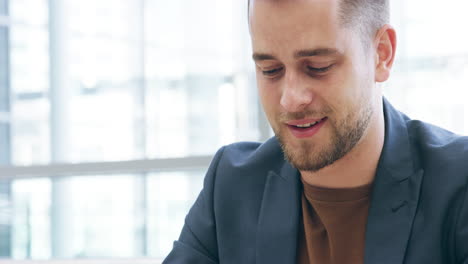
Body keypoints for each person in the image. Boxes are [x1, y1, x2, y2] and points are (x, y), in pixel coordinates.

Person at [163, 0, 468, 263]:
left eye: (318, 67)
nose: (290, 99)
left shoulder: (458, 185)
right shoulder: (231, 186)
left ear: (382, 54)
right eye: (270, 70)